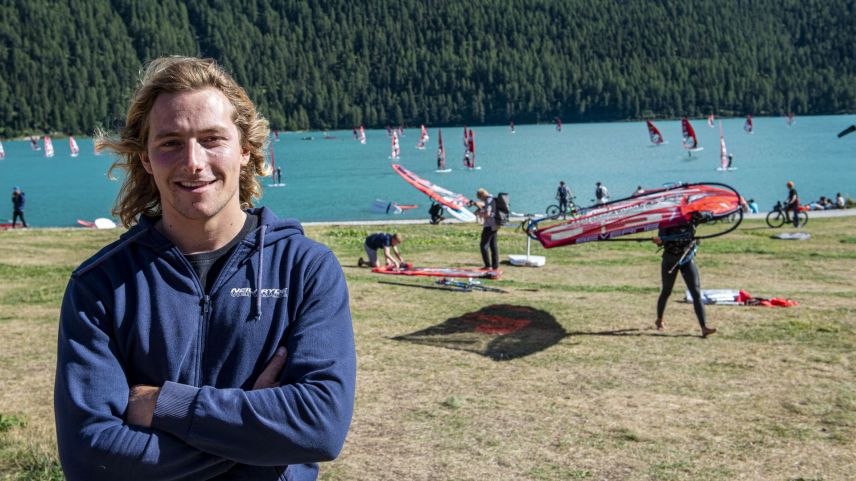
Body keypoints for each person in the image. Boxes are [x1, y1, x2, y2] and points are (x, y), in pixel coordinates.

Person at [54, 56, 356, 481]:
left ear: (246, 151)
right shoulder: (100, 285)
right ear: (145, 159)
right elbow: (91, 458)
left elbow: (320, 427)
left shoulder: (305, 269)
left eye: (212, 139)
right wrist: (254, 432)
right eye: (170, 142)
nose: (193, 161)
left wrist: (163, 405)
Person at [652, 218, 716, 338]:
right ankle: (659, 319)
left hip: (687, 259)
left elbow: (710, 216)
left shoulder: (692, 219)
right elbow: (661, 241)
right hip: (670, 260)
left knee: (696, 292)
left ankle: (704, 327)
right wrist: (658, 241)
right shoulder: (667, 221)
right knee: (666, 291)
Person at [474, 188, 500, 270]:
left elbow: (487, 214)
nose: (480, 200)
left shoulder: (488, 201)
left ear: (482, 195)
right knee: (493, 245)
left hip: (489, 225)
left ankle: (487, 265)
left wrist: (479, 213)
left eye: (480, 198)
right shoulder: (493, 199)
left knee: (483, 245)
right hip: (495, 225)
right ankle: (495, 265)